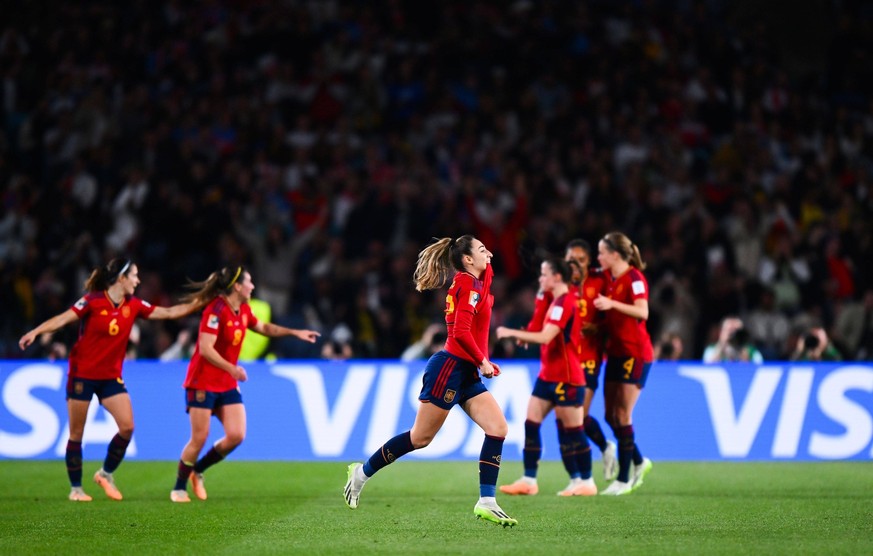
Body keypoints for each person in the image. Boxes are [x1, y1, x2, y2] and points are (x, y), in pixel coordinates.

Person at [343, 235, 517, 527]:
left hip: (466, 371)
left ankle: (486, 501)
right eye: (482, 250)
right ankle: (361, 473)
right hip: (449, 368)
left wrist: (478, 363)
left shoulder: (478, 282)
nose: (490, 254)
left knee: (497, 428)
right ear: (467, 260)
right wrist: (483, 360)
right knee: (420, 438)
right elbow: (460, 332)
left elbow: (487, 281)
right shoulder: (466, 283)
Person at [18, 258, 203, 502]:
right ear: (121, 278)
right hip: (82, 374)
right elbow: (64, 318)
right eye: (135, 276)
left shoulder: (134, 305)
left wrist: (201, 301)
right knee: (76, 433)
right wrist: (36, 331)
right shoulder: (93, 301)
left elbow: (168, 312)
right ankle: (76, 489)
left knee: (127, 427)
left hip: (110, 378)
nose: (138, 281)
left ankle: (105, 473)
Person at [170, 266, 320, 503]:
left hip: (226, 382)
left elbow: (264, 328)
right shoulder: (215, 310)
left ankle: (198, 471)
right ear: (237, 286)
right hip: (202, 381)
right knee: (199, 437)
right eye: (248, 282)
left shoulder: (243, 310)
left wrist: (294, 332)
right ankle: (178, 487)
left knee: (236, 435)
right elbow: (206, 348)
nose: (252, 286)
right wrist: (232, 368)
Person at [495, 257, 597, 496]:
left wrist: (509, 332)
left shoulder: (565, 303)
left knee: (574, 430)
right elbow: (538, 324)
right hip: (548, 374)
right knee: (531, 423)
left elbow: (545, 337)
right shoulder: (553, 300)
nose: (540, 279)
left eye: (544, 274)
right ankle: (529, 480)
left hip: (567, 376)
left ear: (557, 277)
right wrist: (536, 308)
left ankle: (587, 481)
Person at [592, 232, 654, 495]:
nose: (599, 257)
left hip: (635, 354)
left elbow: (643, 311)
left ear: (614, 254)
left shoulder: (634, 278)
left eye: (601, 252)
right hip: (615, 354)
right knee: (610, 415)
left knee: (623, 415)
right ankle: (640, 461)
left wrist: (612, 303)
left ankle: (624, 479)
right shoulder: (610, 279)